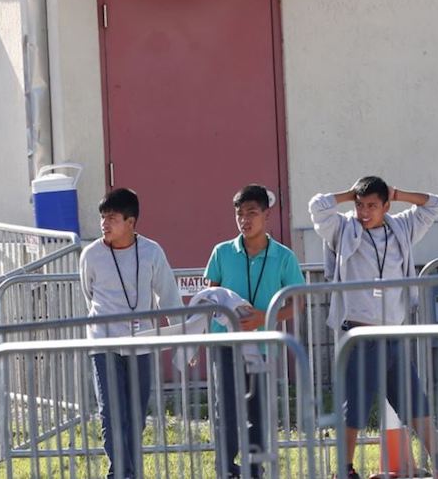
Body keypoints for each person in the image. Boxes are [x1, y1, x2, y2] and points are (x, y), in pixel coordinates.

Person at [310, 177, 438, 479]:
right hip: (361, 336)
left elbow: (435, 204)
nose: (364, 212)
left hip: (394, 334)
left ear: (386, 205)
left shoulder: (400, 227)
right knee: (356, 407)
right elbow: (317, 207)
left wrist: (400, 193)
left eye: (372, 206)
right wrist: (349, 194)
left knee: (415, 401)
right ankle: (345, 469)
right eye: (360, 205)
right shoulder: (344, 229)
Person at [204, 185, 305, 479]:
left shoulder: (284, 257)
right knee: (226, 410)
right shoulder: (221, 252)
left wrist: (266, 317)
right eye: (239, 214)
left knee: (258, 411)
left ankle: (254, 469)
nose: (244, 219)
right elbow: (211, 296)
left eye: (251, 213)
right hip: (225, 344)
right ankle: (225, 468)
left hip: (262, 346)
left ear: (266, 215)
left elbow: (297, 303)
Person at [79, 188, 181, 479]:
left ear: (131, 222)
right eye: (102, 217)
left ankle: (131, 472)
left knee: (135, 416)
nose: (104, 223)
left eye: (112, 217)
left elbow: (169, 297)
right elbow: (89, 294)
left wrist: (182, 342)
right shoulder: (91, 254)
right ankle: (118, 472)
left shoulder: (151, 251)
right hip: (104, 344)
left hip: (142, 345)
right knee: (111, 413)